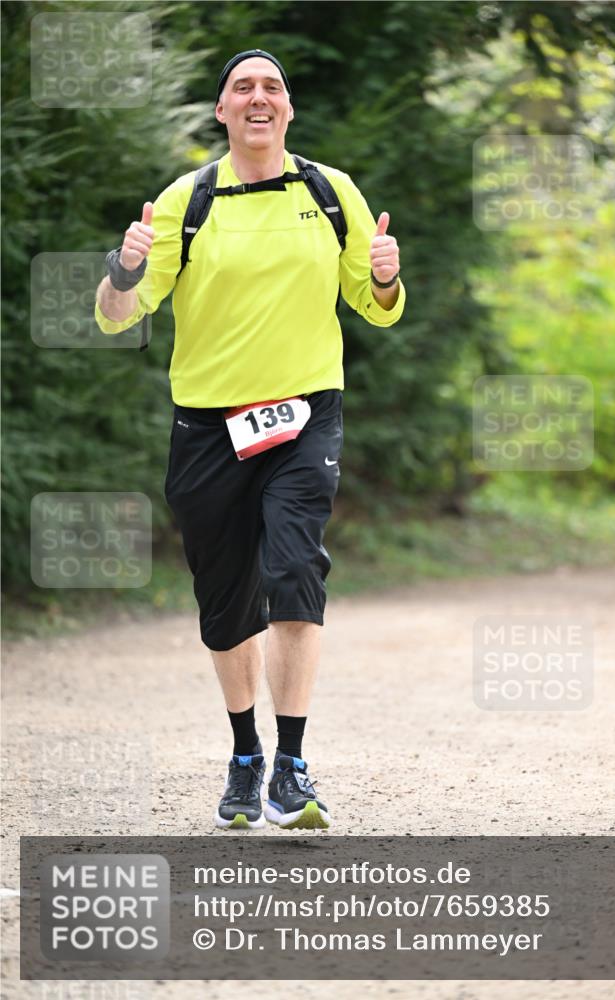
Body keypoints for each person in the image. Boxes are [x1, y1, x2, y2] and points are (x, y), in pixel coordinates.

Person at [95, 49, 405, 831]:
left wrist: (385, 275)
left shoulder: (331, 193)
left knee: (296, 568)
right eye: (243, 88)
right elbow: (115, 315)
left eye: (271, 88)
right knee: (225, 599)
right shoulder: (186, 201)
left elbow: (375, 308)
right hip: (207, 426)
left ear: (288, 110)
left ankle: (292, 769)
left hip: (305, 415)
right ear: (222, 111)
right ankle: (245, 759)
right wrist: (123, 269)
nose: (258, 98)